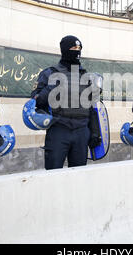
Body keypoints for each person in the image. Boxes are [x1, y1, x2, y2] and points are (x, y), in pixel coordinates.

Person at [30, 35, 101, 170]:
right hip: (59, 130)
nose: (77, 51)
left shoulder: (85, 77)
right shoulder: (50, 73)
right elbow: (36, 101)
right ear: (64, 49)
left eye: (79, 48)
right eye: (74, 47)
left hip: (81, 131)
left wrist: (94, 132)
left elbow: (91, 107)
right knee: (53, 173)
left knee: (78, 176)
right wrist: (52, 87)